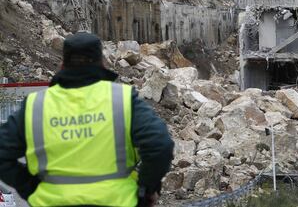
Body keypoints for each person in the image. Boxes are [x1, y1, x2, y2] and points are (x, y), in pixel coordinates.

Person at [0, 32, 174, 207]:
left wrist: (31, 189)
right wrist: (146, 189)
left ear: (62, 64)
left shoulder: (36, 105)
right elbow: (160, 145)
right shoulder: (121, 99)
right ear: (101, 62)